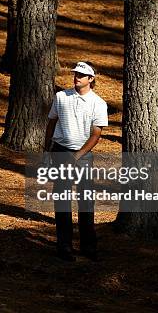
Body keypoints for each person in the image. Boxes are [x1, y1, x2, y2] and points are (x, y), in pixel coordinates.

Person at [44, 61, 108, 261]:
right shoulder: (61, 97)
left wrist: (77, 156)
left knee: (85, 201)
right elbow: (51, 123)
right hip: (60, 152)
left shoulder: (98, 103)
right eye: (75, 74)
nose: (76, 77)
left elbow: (96, 135)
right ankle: (64, 246)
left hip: (83, 156)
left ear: (91, 79)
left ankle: (88, 246)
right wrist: (47, 151)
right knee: (62, 200)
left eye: (81, 74)